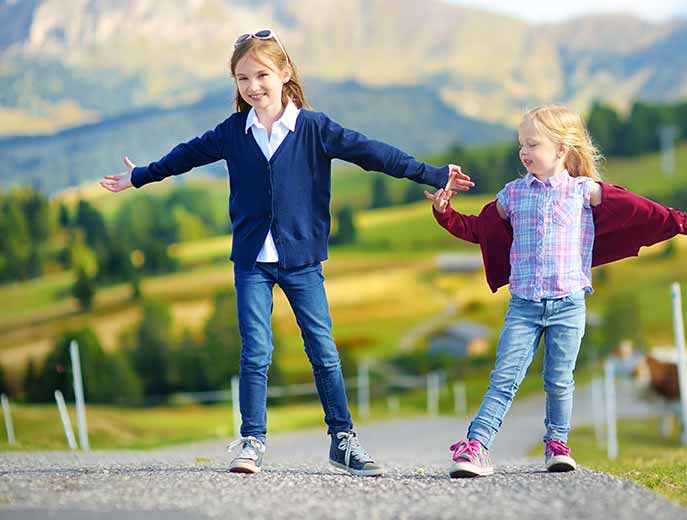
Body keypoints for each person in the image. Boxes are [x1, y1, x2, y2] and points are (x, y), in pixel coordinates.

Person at [100, 29, 474, 476]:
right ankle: (252, 441)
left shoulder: (315, 128)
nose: (253, 86)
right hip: (251, 262)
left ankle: (343, 439)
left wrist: (432, 174)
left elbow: (374, 153)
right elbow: (185, 156)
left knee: (323, 351)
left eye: (261, 75)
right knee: (255, 352)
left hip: (301, 261)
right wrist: (140, 176)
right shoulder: (233, 133)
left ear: (285, 73)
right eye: (242, 79)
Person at [424, 105, 687, 476]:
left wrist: (683, 222)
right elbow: (478, 230)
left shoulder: (585, 192)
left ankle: (556, 443)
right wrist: (445, 212)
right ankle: (476, 446)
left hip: (568, 304)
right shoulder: (512, 195)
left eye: (533, 144)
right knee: (505, 377)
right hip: (524, 305)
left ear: (562, 149)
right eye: (521, 145)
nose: (524, 152)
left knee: (559, 381)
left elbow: (639, 210)